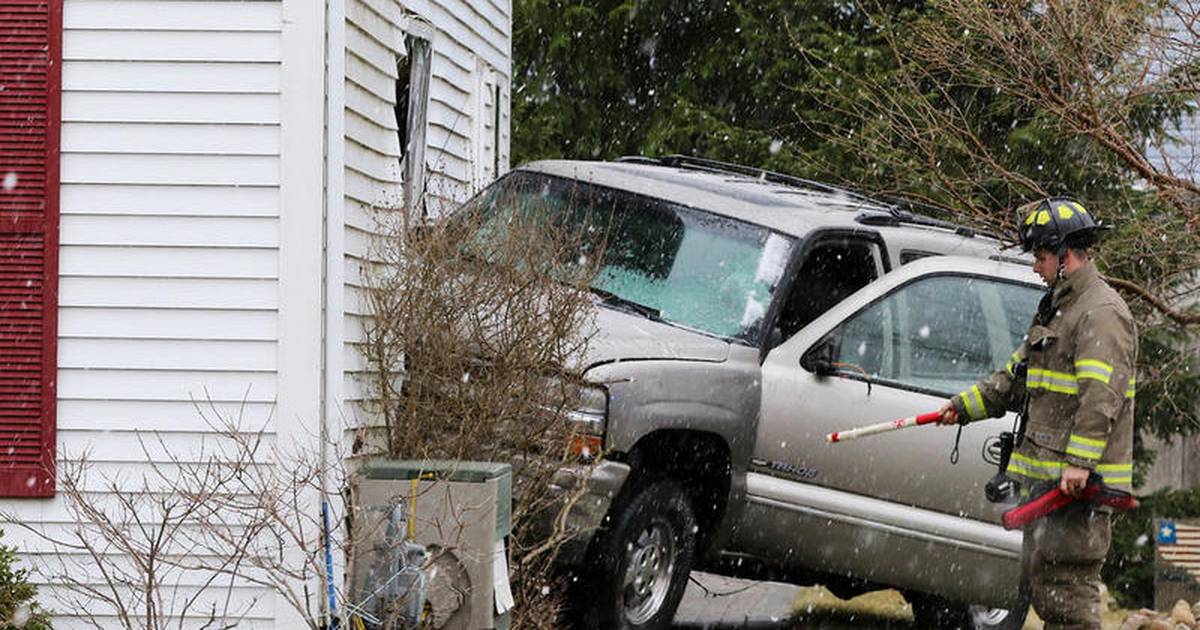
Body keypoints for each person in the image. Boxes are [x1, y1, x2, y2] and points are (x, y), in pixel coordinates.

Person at [937, 197, 1136, 629]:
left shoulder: (1100, 313)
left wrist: (1080, 463)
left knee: (1067, 594)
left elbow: (1101, 398)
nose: (1035, 267)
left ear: (1065, 256)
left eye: (1041, 256)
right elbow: (1015, 376)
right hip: (1049, 481)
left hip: (1078, 488)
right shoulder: (1059, 308)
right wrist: (962, 408)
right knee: (1047, 587)